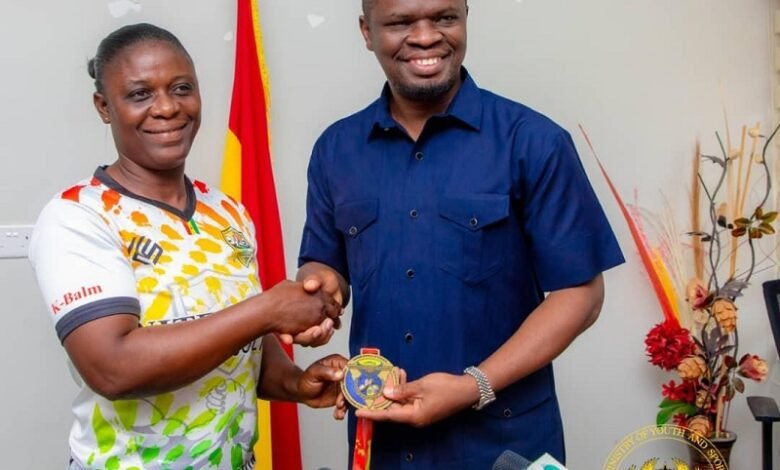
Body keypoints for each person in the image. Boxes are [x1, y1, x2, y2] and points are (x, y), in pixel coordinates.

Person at [296, 0, 625, 467]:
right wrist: (319, 289)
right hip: (384, 446)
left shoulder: (535, 141)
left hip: (505, 445)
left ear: (467, 18)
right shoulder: (335, 149)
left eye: (445, 18)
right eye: (401, 22)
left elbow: (581, 295)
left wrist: (474, 385)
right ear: (366, 32)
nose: (426, 36)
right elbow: (325, 263)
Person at [29, 23, 347, 470]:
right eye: (140, 94)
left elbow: (244, 343)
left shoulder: (228, 213)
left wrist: (296, 383)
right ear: (104, 106)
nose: (167, 108)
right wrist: (268, 309)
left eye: (182, 88)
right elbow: (112, 368)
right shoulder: (77, 216)